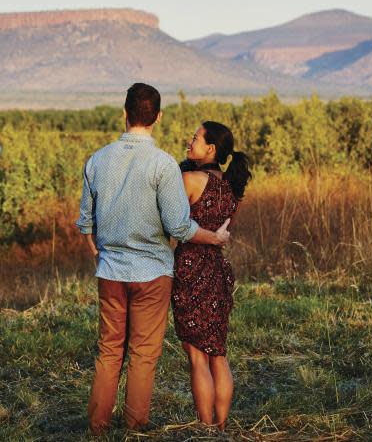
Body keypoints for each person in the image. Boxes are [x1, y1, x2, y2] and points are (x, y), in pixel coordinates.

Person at [76, 83, 231, 435]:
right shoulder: (163, 165)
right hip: (153, 274)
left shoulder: (98, 159)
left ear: (124, 113)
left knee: (109, 351)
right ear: (158, 117)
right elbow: (179, 226)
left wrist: (94, 245)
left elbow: (86, 219)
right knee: (143, 355)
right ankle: (135, 428)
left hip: (111, 271)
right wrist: (215, 237)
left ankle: (97, 429)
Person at [172, 121, 251, 430]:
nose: (189, 141)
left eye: (195, 138)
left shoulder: (189, 180)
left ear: (211, 149)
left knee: (197, 357)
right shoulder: (234, 188)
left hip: (190, 269)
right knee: (218, 352)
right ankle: (221, 427)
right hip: (218, 270)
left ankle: (204, 429)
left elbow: (174, 225)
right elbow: (223, 232)